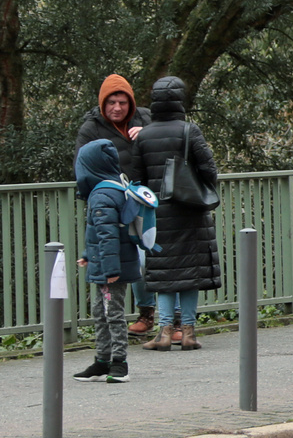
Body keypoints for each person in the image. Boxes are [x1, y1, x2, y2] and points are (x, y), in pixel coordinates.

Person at [135, 76, 221, 351]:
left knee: (164, 274)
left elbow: (137, 179)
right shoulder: (189, 130)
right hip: (190, 211)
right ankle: (188, 332)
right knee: (189, 274)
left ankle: (163, 333)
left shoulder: (144, 135)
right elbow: (209, 170)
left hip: (157, 214)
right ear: (179, 101)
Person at [75, 74, 156, 335]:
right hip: (115, 205)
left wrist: (148, 135)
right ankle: (146, 314)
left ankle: (174, 319)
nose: (117, 108)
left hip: (149, 200)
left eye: (122, 102)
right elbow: (82, 166)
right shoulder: (91, 128)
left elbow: (170, 142)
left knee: (158, 257)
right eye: (111, 102)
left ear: (130, 103)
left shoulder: (146, 119)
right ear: (103, 104)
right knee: (137, 260)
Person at [73, 141, 140, 383]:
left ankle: (119, 363)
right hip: (108, 263)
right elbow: (99, 233)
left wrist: (111, 269)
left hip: (112, 268)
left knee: (112, 314)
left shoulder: (101, 195)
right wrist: (88, 255)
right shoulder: (116, 185)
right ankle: (102, 361)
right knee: (101, 312)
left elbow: (108, 236)